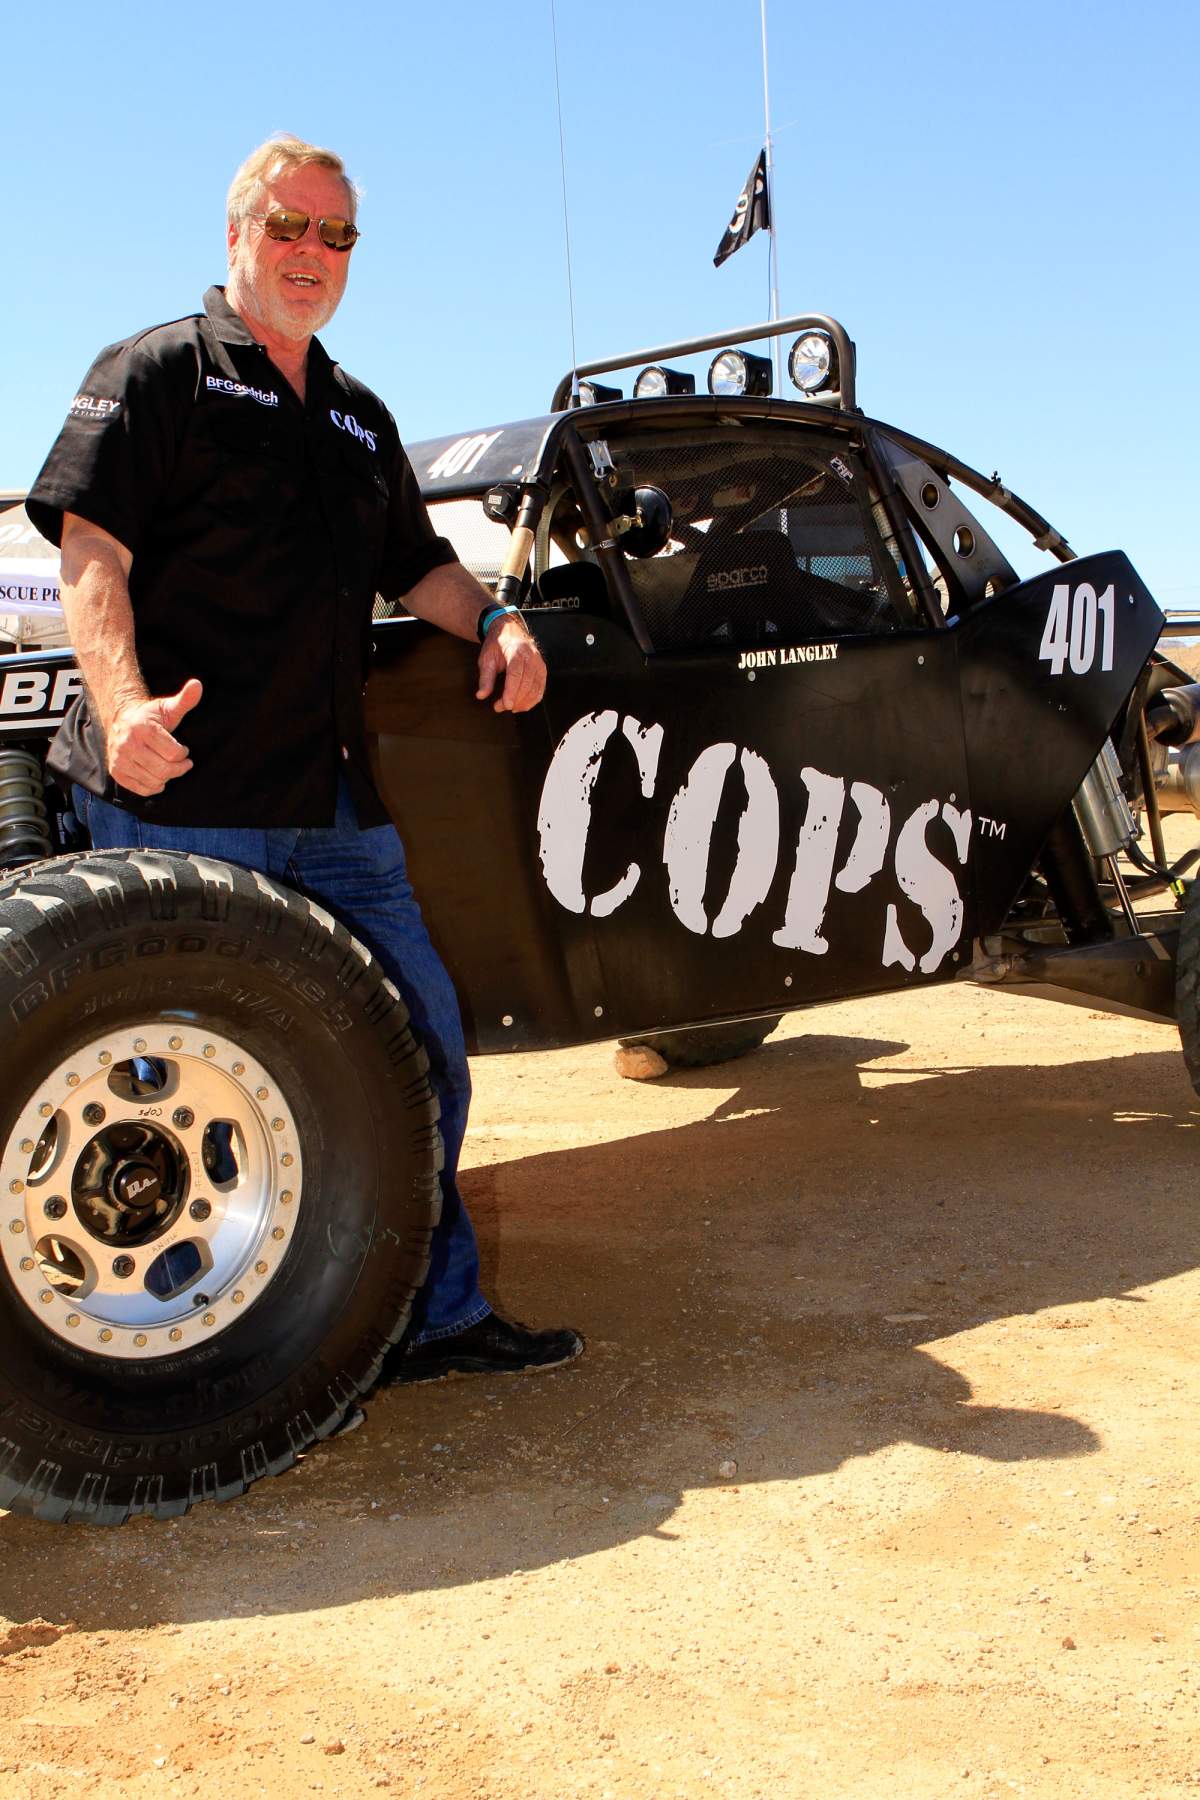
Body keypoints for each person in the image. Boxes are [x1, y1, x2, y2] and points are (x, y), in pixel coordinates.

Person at [26, 134, 583, 1386]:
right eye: (288, 226)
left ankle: (425, 1316)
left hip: (334, 809)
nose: (311, 253)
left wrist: (498, 620)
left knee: (418, 1055)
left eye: (336, 235)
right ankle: (184, 1365)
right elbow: (92, 550)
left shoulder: (355, 414)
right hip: (181, 797)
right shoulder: (158, 370)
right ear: (238, 235)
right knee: (172, 1085)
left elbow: (418, 565)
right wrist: (121, 708)